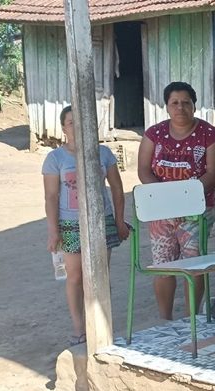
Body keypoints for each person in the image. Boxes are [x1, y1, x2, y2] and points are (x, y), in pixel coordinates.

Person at [138, 81, 215, 320]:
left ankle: (191, 319)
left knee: (194, 267)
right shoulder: (154, 134)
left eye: (186, 102)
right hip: (161, 211)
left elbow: (212, 174)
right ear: (166, 106)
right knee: (163, 267)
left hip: (197, 211)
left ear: (194, 105)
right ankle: (164, 321)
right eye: (174, 103)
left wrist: (184, 202)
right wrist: (165, 199)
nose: (180, 108)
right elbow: (144, 170)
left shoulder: (210, 135)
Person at [43, 105, 128, 345]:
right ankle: (80, 329)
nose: (77, 127)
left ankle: (101, 325)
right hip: (69, 224)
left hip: (102, 221)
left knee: (99, 275)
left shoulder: (104, 154)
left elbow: (118, 190)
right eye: (71, 123)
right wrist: (53, 230)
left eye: (81, 122)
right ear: (63, 128)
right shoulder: (55, 159)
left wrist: (120, 221)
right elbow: (51, 197)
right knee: (75, 277)